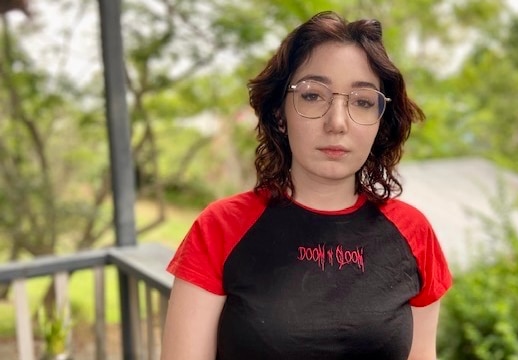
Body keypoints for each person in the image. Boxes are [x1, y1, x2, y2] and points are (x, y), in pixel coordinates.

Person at [161, 10, 452, 360]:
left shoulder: (413, 233)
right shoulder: (221, 228)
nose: (337, 122)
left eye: (362, 101)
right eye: (313, 95)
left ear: (380, 122)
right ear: (280, 114)